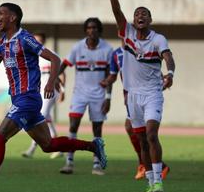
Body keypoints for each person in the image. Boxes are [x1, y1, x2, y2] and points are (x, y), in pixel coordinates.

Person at [0, 3, 107, 192]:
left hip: (28, 99)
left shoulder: (25, 39)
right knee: (48, 145)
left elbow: (55, 59)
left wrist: (51, 82)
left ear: (13, 18)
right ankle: (93, 146)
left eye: (1, 14)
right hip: (20, 99)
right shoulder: (3, 43)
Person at [109, 0, 176, 192]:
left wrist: (170, 73)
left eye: (145, 14)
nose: (140, 16)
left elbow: (168, 57)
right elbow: (116, 10)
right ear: (133, 19)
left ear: (150, 20)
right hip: (132, 95)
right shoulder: (127, 32)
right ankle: (150, 180)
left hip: (152, 93)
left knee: (151, 134)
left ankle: (158, 181)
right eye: (137, 13)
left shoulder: (158, 39)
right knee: (142, 141)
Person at [101, 46, 170, 180]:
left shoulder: (142, 48)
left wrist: (163, 80)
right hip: (131, 97)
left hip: (146, 94)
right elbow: (113, 75)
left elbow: (151, 69)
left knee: (145, 133)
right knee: (134, 130)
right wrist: (106, 87)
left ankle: (151, 166)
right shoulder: (117, 54)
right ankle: (150, 165)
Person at [57, 18, 113, 176]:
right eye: (89, 28)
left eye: (95, 28)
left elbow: (110, 75)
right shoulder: (77, 47)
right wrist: (55, 77)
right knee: (73, 126)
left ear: (99, 30)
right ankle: (69, 162)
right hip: (79, 94)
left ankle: (96, 164)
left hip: (99, 94)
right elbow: (64, 64)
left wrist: (108, 97)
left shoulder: (107, 49)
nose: (92, 30)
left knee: (97, 130)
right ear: (85, 30)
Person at [21, 32, 66, 160]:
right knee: (47, 117)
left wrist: (63, 90)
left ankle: (32, 148)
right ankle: (59, 148)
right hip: (39, 90)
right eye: (35, 40)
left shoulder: (49, 54)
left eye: (39, 40)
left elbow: (61, 73)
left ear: (44, 41)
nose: (37, 42)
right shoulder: (31, 55)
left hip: (51, 89)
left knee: (41, 115)